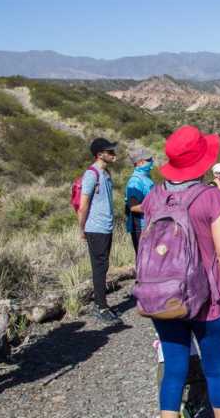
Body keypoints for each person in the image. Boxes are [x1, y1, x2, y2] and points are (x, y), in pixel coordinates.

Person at [149, 126, 220, 418]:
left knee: (174, 370)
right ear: (202, 161)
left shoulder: (154, 196)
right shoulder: (210, 197)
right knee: (216, 368)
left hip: (163, 295)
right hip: (208, 297)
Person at [77, 137, 121, 325]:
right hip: (96, 228)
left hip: (105, 227)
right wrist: (82, 228)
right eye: (110, 151)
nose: (113, 154)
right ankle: (100, 306)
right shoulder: (91, 174)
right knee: (99, 267)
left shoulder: (106, 173)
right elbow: (83, 204)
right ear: (99, 154)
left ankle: (102, 303)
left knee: (103, 266)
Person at [124, 148, 155, 255]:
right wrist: (156, 207)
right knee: (144, 260)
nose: (152, 161)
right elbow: (133, 207)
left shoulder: (146, 178)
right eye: (149, 159)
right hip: (140, 227)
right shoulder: (135, 181)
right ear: (140, 162)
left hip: (150, 226)